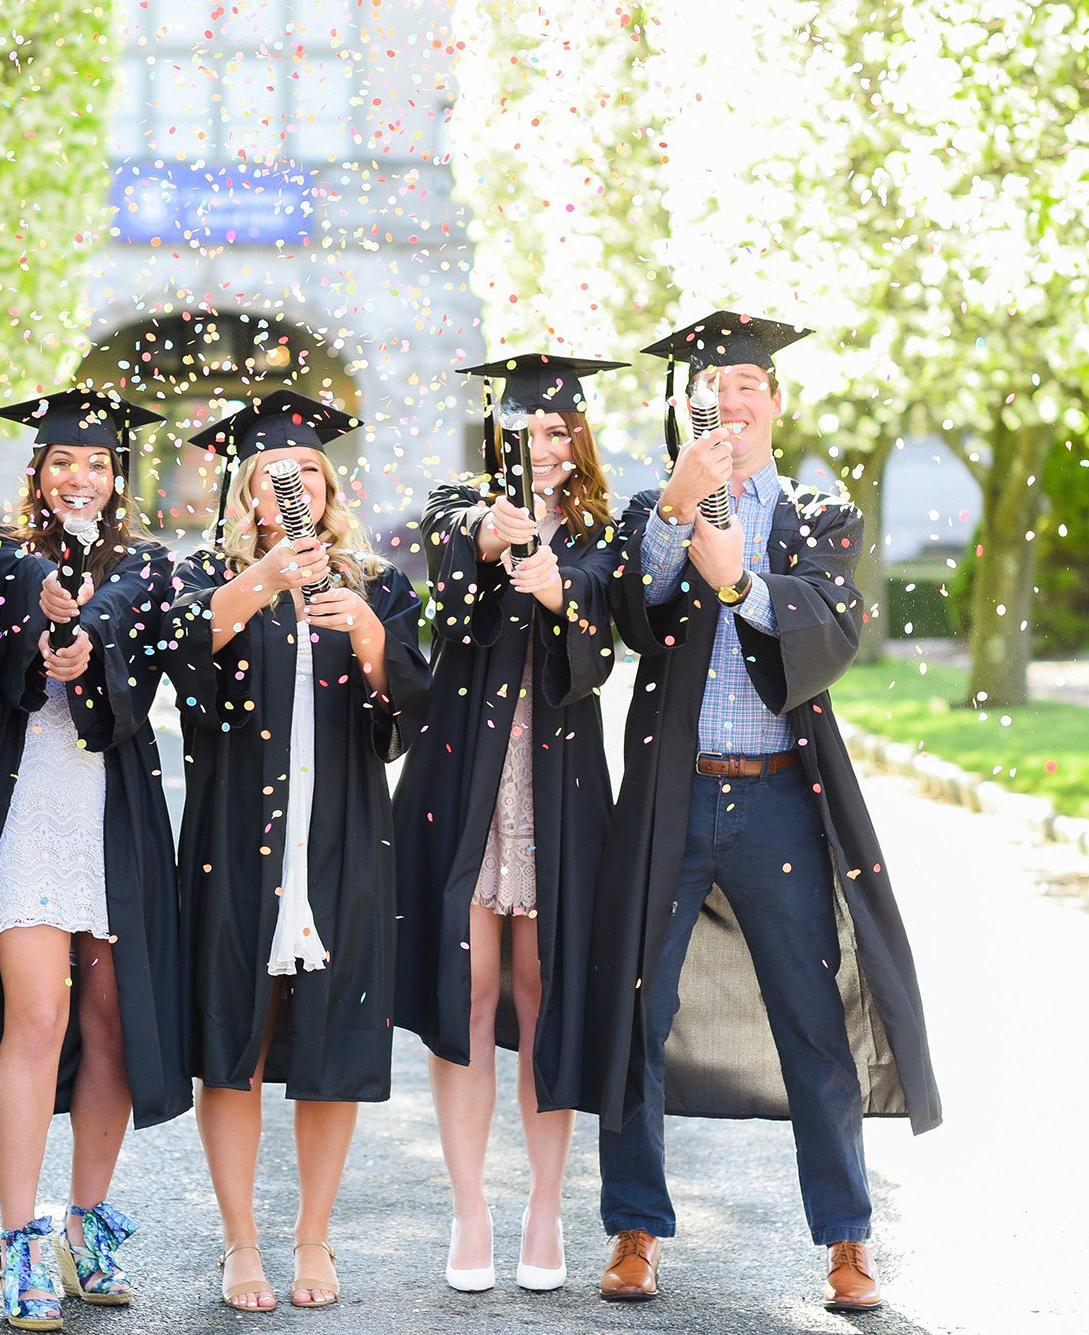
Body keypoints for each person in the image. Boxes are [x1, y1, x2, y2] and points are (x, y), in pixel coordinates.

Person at [585, 311, 942, 1312]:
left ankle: (845, 1243)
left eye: (747, 384)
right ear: (683, 406)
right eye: (711, 388)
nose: (730, 402)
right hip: (669, 795)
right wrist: (674, 511)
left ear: (774, 400)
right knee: (637, 1012)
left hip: (779, 799)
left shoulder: (816, 513)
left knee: (810, 1021)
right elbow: (630, 612)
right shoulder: (652, 506)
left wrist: (738, 580)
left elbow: (827, 632)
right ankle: (632, 1232)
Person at [164, 390, 429, 1313]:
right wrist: (266, 580)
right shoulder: (208, 574)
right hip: (235, 835)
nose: (295, 484)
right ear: (247, 494)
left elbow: (408, 713)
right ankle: (241, 1244)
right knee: (233, 1039)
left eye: (310, 470)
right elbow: (185, 668)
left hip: (346, 835)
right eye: (275, 474)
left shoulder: (378, 582)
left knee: (333, 1037)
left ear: (329, 486)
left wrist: (365, 633)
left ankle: (313, 1235)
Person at [0, 388, 190, 1332]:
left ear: (116, 474)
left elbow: (133, 676)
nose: (78, 474)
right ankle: (22, 1246)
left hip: (116, 813)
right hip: (29, 811)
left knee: (113, 1021)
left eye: (94, 462)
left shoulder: (149, 568)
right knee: (41, 1014)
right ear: (38, 473)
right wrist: (48, 625)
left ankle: (84, 1232)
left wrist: (93, 644)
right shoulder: (3, 561)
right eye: (61, 461)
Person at [392, 354, 626, 1295]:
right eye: (529, 430)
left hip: (557, 787)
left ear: (580, 442)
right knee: (470, 985)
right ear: (499, 437)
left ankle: (543, 1204)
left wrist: (561, 591)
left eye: (560, 430)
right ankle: (470, 1206)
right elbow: (442, 604)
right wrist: (488, 540)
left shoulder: (605, 531)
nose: (545, 443)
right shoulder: (463, 505)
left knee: (543, 991)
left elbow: (606, 650)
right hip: (467, 786)